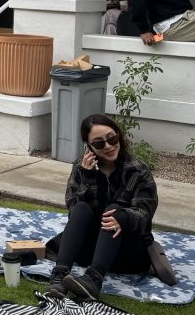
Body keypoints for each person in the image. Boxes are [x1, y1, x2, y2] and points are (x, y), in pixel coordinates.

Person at [44, 114, 174, 303]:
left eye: (112, 138)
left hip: (128, 253)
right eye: (99, 144)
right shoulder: (81, 168)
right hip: (89, 250)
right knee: (81, 208)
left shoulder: (138, 170)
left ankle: (93, 280)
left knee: (114, 209)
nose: (108, 146)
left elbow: (145, 212)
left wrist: (123, 217)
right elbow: (74, 211)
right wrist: (87, 177)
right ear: (88, 146)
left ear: (119, 136)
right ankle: (59, 276)